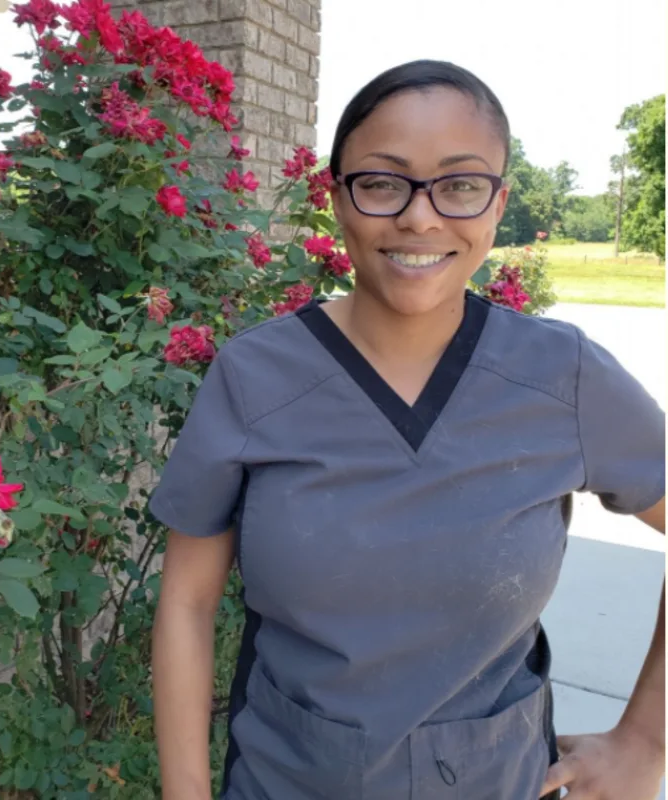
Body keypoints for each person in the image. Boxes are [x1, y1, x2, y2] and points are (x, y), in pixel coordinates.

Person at [149, 60, 666, 800]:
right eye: (384, 182)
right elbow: (187, 603)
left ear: (497, 204)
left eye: (459, 185)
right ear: (337, 200)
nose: (420, 218)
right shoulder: (255, 378)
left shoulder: (563, 379)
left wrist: (646, 738)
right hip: (285, 781)